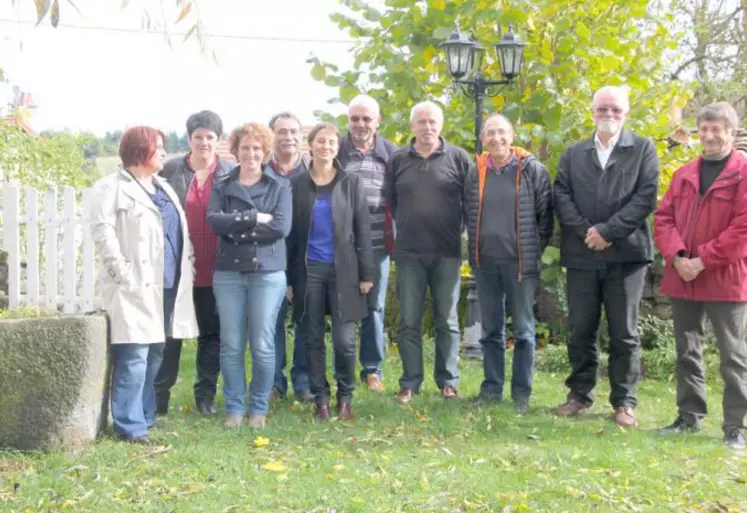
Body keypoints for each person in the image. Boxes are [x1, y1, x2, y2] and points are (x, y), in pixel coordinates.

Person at [553, 85, 659, 427]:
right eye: (602, 109)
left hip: (626, 256)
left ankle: (624, 402)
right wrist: (589, 232)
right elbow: (561, 195)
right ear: (592, 112)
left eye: (615, 109)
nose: (608, 115)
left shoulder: (642, 149)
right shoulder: (573, 154)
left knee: (624, 332)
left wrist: (608, 232)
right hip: (582, 254)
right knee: (581, 328)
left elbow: (645, 197)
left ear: (626, 113)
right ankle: (579, 394)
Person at [90, 126, 198, 444]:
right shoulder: (109, 188)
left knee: (155, 351)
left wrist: (187, 264)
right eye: (159, 147)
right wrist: (124, 276)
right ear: (140, 150)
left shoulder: (162, 186)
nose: (165, 152)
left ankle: (146, 415)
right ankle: (129, 424)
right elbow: (104, 235)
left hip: (167, 283)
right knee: (134, 353)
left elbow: (178, 231)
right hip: (131, 285)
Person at [654, 102, 747, 450]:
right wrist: (678, 256)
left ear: (732, 133)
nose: (708, 136)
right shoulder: (684, 174)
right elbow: (663, 219)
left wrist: (702, 260)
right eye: (703, 129)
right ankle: (689, 416)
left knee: (733, 356)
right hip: (684, 277)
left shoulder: (743, 175)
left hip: (725, 278)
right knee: (687, 350)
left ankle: (736, 426)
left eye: (716, 129)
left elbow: (743, 230)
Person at [286, 122, 375, 421]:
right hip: (308, 271)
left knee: (345, 341)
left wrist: (367, 274)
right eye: (321, 141)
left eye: (332, 142)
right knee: (312, 339)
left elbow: (363, 230)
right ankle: (321, 399)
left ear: (338, 148)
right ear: (310, 145)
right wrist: (289, 280)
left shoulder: (351, 183)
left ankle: (345, 397)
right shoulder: (297, 185)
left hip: (345, 273)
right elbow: (291, 236)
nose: (326, 146)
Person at [465, 113, 553, 413]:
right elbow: (468, 212)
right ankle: (491, 389)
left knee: (525, 331)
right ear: (482, 139)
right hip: (485, 262)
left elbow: (545, 217)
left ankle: (521, 395)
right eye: (490, 133)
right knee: (490, 330)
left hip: (520, 264)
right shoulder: (475, 171)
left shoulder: (531, 170)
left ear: (512, 135)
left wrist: (531, 251)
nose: (496, 138)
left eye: (501, 132)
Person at [207, 123, 291, 429]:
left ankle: (258, 408)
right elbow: (215, 222)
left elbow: (281, 228)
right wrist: (254, 218)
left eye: (257, 148)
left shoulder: (279, 186)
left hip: (267, 274)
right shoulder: (223, 184)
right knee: (231, 343)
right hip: (229, 273)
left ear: (265, 151)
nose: (251, 153)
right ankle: (233, 407)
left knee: (262, 343)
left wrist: (236, 229)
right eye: (245, 147)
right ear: (236, 150)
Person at [387, 101, 472, 403]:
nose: (427, 127)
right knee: (408, 320)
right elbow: (391, 204)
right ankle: (409, 383)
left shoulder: (459, 158)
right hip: (409, 252)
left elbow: (471, 202)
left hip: (447, 252)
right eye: (421, 122)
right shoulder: (398, 160)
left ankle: (448, 382)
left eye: (432, 121)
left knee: (447, 320)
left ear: (441, 125)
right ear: (412, 126)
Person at [155, 110, 233, 416]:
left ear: (218, 140)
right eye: (198, 136)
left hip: (217, 267)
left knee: (212, 335)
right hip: (178, 269)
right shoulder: (170, 171)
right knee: (170, 333)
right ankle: (160, 394)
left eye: (210, 137)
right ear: (189, 139)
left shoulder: (229, 173)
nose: (204, 142)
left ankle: (205, 397)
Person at [336, 94, 398, 392]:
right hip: (341, 247)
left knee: (374, 309)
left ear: (378, 121)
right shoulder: (336, 152)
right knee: (342, 307)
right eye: (354, 118)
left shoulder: (392, 155)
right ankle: (341, 368)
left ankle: (372, 370)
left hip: (377, 246)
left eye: (366, 118)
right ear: (348, 121)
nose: (360, 124)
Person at [267, 111, 313, 402]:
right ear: (272, 136)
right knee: (272, 322)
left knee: (306, 321)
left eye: (294, 132)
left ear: (302, 137)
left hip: (307, 259)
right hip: (270, 258)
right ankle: (274, 383)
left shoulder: (314, 174)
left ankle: (304, 381)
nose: (288, 137)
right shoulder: (260, 173)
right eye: (282, 132)